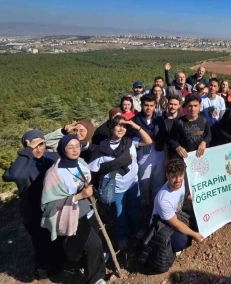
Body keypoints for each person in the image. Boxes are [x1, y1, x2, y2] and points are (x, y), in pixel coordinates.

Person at [41, 135, 106, 284]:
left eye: (77, 145)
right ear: (63, 150)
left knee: (93, 243)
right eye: (70, 147)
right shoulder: (54, 174)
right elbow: (49, 204)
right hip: (73, 215)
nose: (75, 150)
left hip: (89, 209)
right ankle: (95, 279)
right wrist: (78, 196)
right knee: (93, 244)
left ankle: (92, 267)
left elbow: (86, 180)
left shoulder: (81, 162)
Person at [2, 130, 61, 279]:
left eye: (41, 144)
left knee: (54, 237)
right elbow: (13, 175)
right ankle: (42, 268)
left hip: (51, 207)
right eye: (34, 146)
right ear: (27, 148)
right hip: (32, 211)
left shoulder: (50, 158)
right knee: (40, 241)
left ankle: (57, 263)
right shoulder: (23, 165)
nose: (39, 149)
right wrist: (28, 151)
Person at [89, 116, 152, 250]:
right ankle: (122, 237)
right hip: (116, 187)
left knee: (134, 209)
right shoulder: (101, 149)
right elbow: (92, 169)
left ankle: (135, 231)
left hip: (133, 184)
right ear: (111, 128)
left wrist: (135, 126)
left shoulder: (130, 142)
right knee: (119, 214)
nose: (121, 129)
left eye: (124, 126)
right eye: (118, 125)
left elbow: (148, 141)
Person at [151, 158, 204, 254]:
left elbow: (185, 192)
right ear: (167, 175)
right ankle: (172, 248)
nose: (178, 180)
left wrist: (188, 196)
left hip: (177, 213)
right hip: (162, 222)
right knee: (182, 240)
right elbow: (175, 224)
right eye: (174, 177)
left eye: (180, 175)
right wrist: (194, 235)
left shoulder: (183, 181)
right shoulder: (163, 199)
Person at [132, 94, 168, 206]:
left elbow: (164, 136)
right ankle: (145, 208)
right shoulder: (135, 121)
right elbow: (130, 139)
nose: (148, 108)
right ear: (141, 106)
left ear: (155, 106)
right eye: (146, 105)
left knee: (158, 184)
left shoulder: (159, 119)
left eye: (151, 105)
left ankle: (156, 208)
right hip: (143, 157)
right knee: (144, 185)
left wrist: (165, 156)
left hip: (159, 155)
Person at [169, 93, 211, 159]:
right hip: (185, 158)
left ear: (200, 106)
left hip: (202, 156)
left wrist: (204, 142)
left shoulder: (204, 120)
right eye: (190, 106)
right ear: (185, 106)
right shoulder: (179, 122)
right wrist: (178, 147)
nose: (193, 109)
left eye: (195, 106)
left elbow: (208, 136)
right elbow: (172, 139)